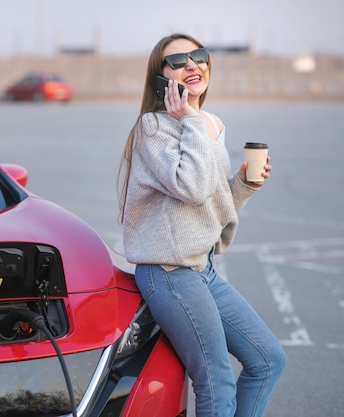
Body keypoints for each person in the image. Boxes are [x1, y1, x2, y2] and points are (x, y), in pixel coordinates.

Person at [118, 33, 286, 417]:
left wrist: (242, 185)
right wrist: (190, 121)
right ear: (161, 79)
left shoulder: (211, 123)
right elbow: (191, 188)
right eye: (177, 61)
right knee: (215, 380)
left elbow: (209, 202)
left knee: (268, 359)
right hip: (168, 273)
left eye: (199, 56)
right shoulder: (153, 128)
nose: (192, 65)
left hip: (201, 270)